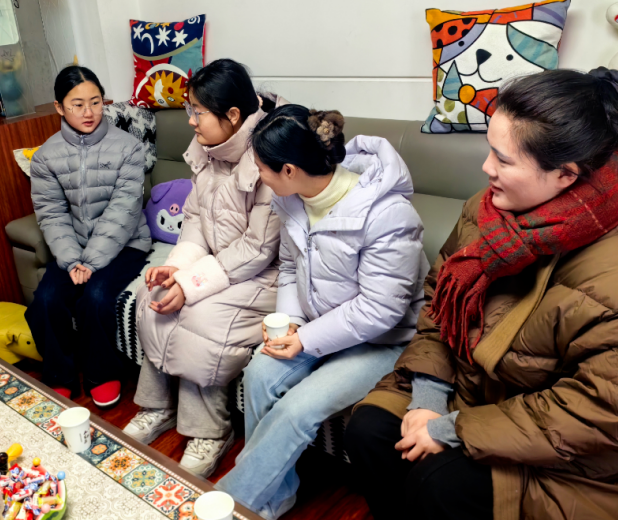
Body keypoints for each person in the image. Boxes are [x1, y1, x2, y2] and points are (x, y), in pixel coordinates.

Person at [344, 68, 618, 520]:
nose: (487, 168)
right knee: (369, 431)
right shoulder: (486, 209)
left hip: (566, 449)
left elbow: (595, 408)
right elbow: (439, 299)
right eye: (489, 150)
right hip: (469, 389)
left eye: (503, 160)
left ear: (565, 175)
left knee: (441, 482)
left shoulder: (607, 274)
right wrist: (429, 396)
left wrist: (453, 430)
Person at [216, 104, 429, 519]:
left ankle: (233, 503)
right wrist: (291, 323)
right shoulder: (292, 201)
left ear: (289, 170)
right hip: (317, 327)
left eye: (261, 167)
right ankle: (276, 495)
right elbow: (290, 266)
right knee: (259, 373)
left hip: (384, 342)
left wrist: (305, 340)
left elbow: (380, 309)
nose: (258, 176)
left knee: (297, 409)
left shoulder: (387, 214)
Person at [122, 59, 283, 477]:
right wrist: (176, 269)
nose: (190, 120)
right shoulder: (208, 151)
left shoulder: (269, 154)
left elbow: (257, 250)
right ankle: (156, 407)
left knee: (201, 319)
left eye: (198, 111)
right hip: (220, 265)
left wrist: (193, 285)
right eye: (189, 109)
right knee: (153, 294)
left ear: (234, 116)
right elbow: (194, 221)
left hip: (266, 276)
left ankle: (211, 431)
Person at [25, 66, 150, 406]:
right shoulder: (46, 156)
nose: (89, 112)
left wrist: (91, 262)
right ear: (59, 107)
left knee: (96, 297)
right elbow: (51, 213)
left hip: (125, 243)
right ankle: (59, 375)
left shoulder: (128, 147)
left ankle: (102, 374)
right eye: (77, 104)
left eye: (95, 102)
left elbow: (124, 210)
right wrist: (71, 260)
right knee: (46, 299)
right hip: (73, 248)